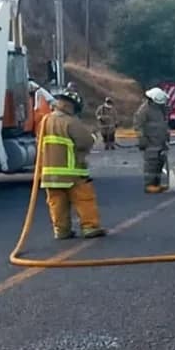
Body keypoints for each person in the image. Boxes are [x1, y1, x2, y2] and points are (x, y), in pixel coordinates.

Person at [38, 90, 106, 239]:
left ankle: (61, 231)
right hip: (72, 173)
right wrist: (93, 137)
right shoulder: (71, 122)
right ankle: (89, 227)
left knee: (57, 203)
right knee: (84, 199)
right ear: (72, 106)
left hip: (50, 174)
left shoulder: (45, 120)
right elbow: (85, 142)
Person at [133, 87, 170, 193]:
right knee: (151, 164)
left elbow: (164, 124)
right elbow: (138, 125)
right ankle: (149, 185)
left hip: (160, 141)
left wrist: (166, 137)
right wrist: (142, 139)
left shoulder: (160, 109)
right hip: (150, 142)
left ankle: (156, 184)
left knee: (160, 162)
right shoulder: (144, 110)